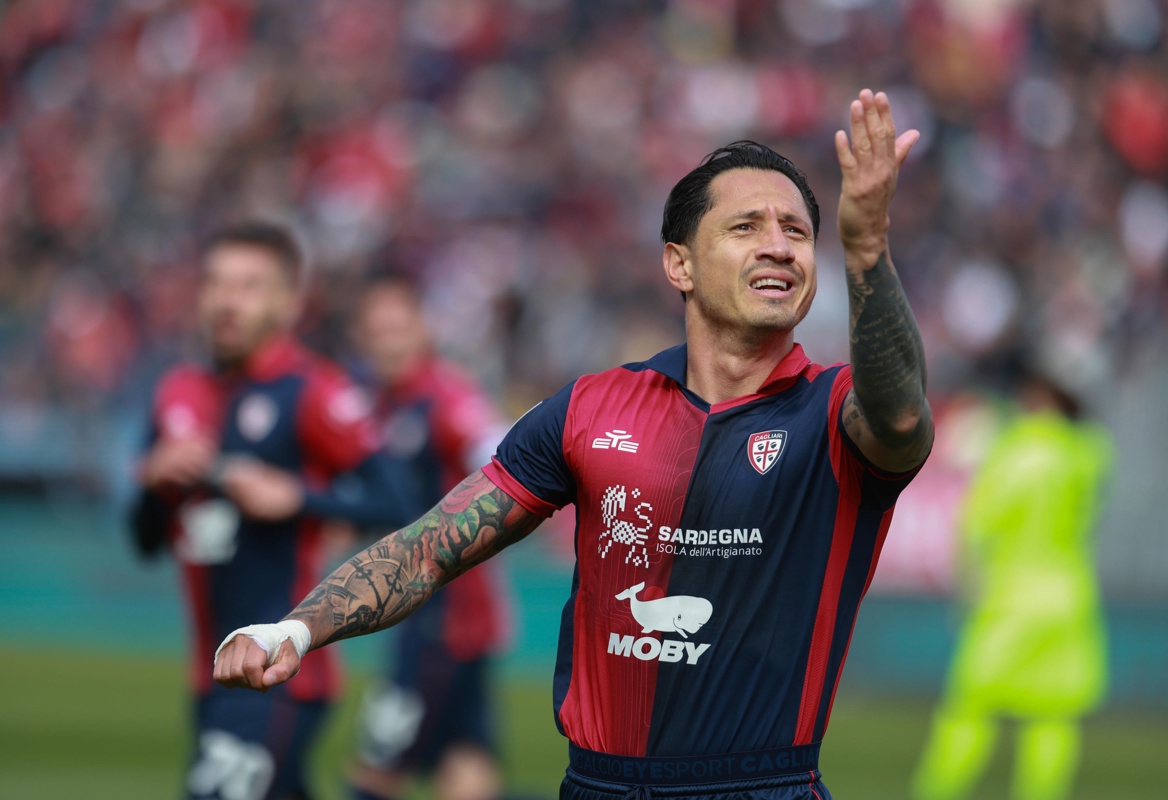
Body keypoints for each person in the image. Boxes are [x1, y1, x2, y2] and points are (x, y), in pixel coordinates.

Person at [214, 89, 934, 800]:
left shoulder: (835, 413)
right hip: (597, 786)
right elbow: (431, 545)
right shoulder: (591, 407)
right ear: (678, 265)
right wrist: (296, 631)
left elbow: (900, 418)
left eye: (798, 231)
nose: (778, 244)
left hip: (760, 787)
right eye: (746, 226)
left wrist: (867, 246)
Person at [130, 221, 418, 800]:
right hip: (211, 673)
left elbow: (400, 501)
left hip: (278, 670)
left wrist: (297, 499)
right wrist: (157, 484)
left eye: (250, 286)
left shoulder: (313, 390)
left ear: (287, 302)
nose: (228, 301)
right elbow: (144, 539)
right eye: (217, 283)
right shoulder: (177, 390)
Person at [909, 367, 1112, 800]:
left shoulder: (1018, 452)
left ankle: (936, 792)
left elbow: (978, 524)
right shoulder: (1089, 454)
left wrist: (967, 583)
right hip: (1071, 597)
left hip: (1013, 597)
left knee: (969, 708)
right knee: (1053, 715)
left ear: (1040, 397)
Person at [345, 275, 512, 800]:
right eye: (376, 332)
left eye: (397, 329)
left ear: (420, 330)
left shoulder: (443, 396)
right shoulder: (378, 404)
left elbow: (497, 452)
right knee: (466, 768)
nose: (387, 342)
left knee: (374, 771)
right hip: (437, 618)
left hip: (444, 619)